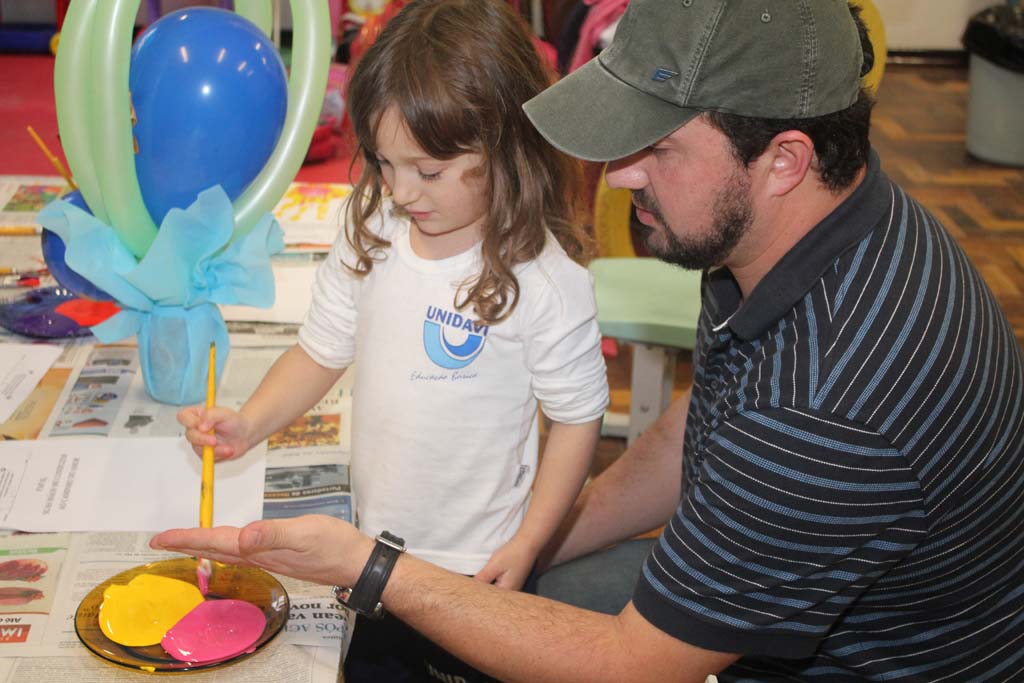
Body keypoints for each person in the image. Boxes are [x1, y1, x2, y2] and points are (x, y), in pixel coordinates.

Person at [155, 1, 1024, 681]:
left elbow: (634, 664)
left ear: (785, 160)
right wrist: (541, 536)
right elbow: (706, 427)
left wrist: (376, 569)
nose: (620, 173)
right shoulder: (815, 231)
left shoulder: (822, 409)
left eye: (658, 147)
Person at [174, 1, 608, 681]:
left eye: (428, 171)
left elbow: (578, 421)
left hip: (477, 567)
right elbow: (319, 350)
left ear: (507, 147)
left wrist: (530, 541)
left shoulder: (545, 282)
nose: (401, 191)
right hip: (370, 549)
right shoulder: (372, 227)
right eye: (383, 161)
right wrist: (250, 422)